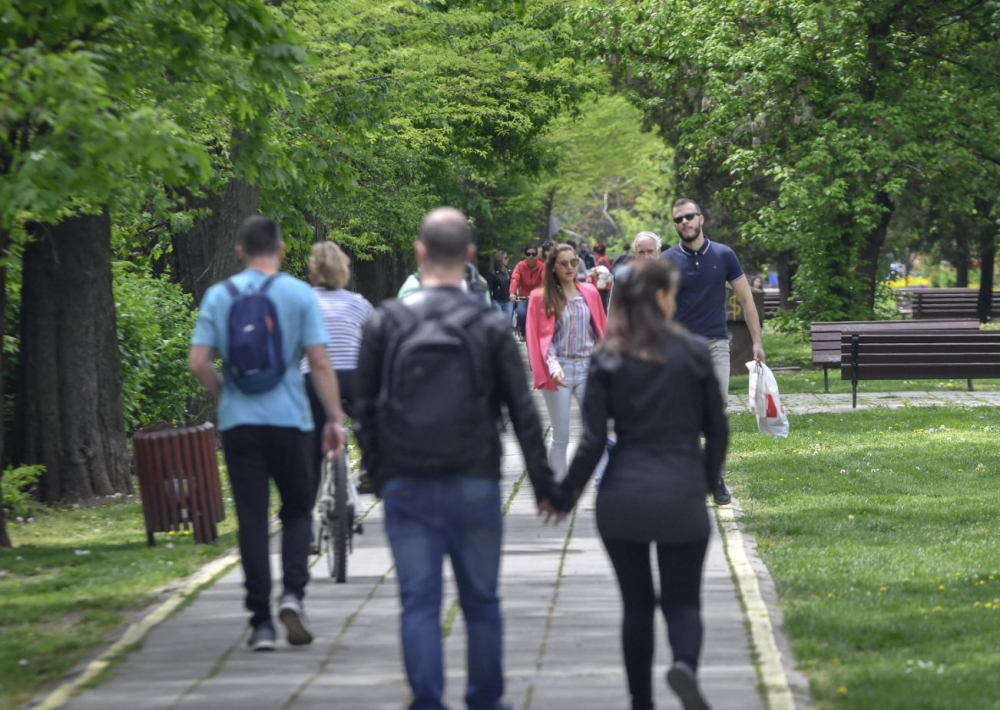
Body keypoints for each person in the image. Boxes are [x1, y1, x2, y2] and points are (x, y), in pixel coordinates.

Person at [353, 207, 558, 710]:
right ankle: (486, 699)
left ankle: (427, 700)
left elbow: (364, 408)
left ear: (419, 254)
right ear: (468, 256)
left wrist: (378, 473)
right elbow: (523, 412)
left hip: (407, 481)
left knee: (418, 602)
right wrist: (544, 486)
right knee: (482, 602)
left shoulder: (388, 321)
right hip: (475, 479)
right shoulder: (486, 325)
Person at [553, 259, 727, 710]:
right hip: (681, 494)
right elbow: (718, 430)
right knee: (683, 601)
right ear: (664, 298)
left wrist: (565, 495)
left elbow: (592, 442)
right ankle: (684, 665)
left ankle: (641, 703)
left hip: (622, 498)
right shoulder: (692, 352)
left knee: (636, 606)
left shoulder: (608, 357)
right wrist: (706, 484)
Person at [188, 215, 345, 652]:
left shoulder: (220, 295)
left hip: (241, 425)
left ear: (240, 251)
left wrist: (225, 396)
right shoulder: (297, 293)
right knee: (297, 511)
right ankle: (292, 595)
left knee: (252, 520)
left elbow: (199, 362)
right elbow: (319, 361)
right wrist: (334, 418)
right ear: (279, 250)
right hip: (291, 422)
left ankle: (259, 622)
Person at [661, 198, 764, 505]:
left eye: (689, 217)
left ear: (701, 219)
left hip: (717, 346)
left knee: (715, 414)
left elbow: (746, 300)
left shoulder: (723, 254)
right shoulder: (667, 260)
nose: (684, 223)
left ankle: (715, 477)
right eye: (678, 219)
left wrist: (757, 341)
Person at [525, 244, 607, 482]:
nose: (570, 267)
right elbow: (539, 338)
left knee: (595, 432)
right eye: (563, 263)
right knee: (561, 435)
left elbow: (601, 330)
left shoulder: (590, 292)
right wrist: (552, 366)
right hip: (558, 370)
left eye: (573, 262)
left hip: (588, 368)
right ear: (552, 267)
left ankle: (603, 485)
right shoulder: (540, 297)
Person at [299, 241, 373, 491]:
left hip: (313, 377)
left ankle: (310, 484)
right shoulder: (359, 302)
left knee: (312, 433)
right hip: (354, 375)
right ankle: (369, 467)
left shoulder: (303, 301)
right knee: (369, 420)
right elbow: (374, 339)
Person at [509, 244, 545, 339]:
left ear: (537, 255)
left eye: (533, 254)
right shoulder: (520, 266)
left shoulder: (542, 266)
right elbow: (514, 279)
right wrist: (512, 293)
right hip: (524, 297)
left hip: (538, 298)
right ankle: (523, 332)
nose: (531, 256)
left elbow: (545, 280)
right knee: (521, 313)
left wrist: (545, 292)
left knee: (542, 315)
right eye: (528, 254)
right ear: (525, 255)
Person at [487, 251, 513, 321]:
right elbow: (489, 287)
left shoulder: (509, 272)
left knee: (508, 320)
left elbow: (512, 285)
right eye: (505, 258)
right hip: (496, 300)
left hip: (507, 300)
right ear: (500, 259)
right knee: (499, 320)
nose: (507, 260)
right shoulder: (492, 273)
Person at [593, 242, 614, 312]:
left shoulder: (601, 260)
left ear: (596, 252)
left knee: (603, 306)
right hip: (606, 286)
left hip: (603, 287)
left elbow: (604, 273)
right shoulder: (605, 259)